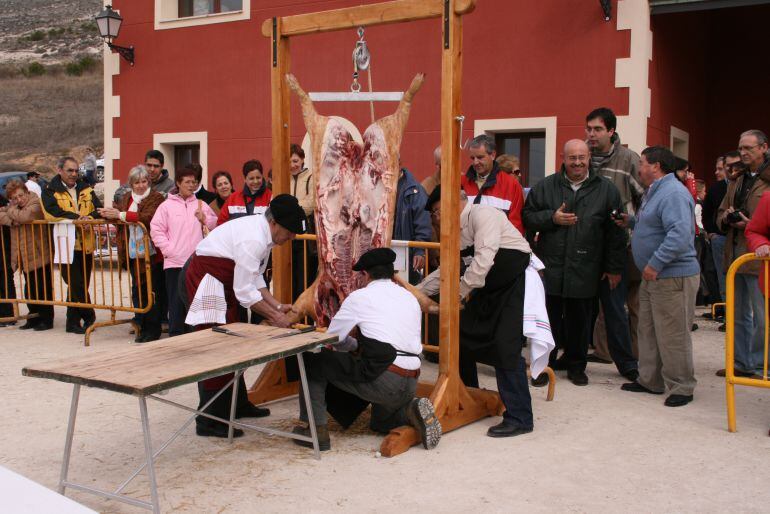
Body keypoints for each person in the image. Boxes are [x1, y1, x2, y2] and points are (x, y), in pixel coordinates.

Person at [295, 247, 442, 450]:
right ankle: (411, 409)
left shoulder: (359, 297)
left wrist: (354, 346)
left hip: (384, 377)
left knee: (311, 361)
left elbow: (335, 338)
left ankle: (313, 429)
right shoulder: (409, 297)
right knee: (380, 423)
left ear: (365, 274)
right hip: (411, 380)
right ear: (392, 273)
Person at [184, 195, 306, 438]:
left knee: (235, 344)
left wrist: (277, 305)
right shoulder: (253, 238)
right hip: (208, 283)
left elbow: (256, 278)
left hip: (226, 284)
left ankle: (237, 404)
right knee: (217, 348)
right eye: (290, 232)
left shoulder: (266, 237)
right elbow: (244, 293)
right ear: (275, 224)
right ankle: (209, 420)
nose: (291, 238)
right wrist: (276, 317)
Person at [418, 190, 534, 437]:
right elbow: (447, 271)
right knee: (461, 335)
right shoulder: (456, 232)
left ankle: (520, 416)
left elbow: (483, 259)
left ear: (458, 202)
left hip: (513, 282)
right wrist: (416, 292)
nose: (438, 218)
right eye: (435, 214)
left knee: (506, 347)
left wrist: (458, 294)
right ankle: (469, 394)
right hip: (488, 287)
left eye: (440, 211)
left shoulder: (483, 215)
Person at [522, 139, 627, 386]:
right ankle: (543, 366)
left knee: (580, 322)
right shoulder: (546, 186)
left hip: (586, 268)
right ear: (563, 158)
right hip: (552, 268)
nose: (577, 162)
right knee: (548, 320)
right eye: (572, 158)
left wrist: (613, 267)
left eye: (582, 157)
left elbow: (616, 232)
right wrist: (552, 218)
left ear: (589, 157)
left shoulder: (606, 189)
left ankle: (577, 366)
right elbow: (528, 217)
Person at [620, 146, 699, 407]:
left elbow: (679, 234)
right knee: (649, 330)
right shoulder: (656, 191)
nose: (639, 168)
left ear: (656, 166)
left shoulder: (673, 193)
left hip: (670, 275)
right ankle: (650, 380)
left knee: (673, 333)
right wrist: (631, 223)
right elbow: (655, 224)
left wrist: (655, 263)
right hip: (654, 276)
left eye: (642, 163)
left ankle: (682, 386)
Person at [585, 107, 643, 379]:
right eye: (589, 129)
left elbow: (646, 200)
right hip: (587, 247)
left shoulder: (629, 159)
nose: (591, 134)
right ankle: (600, 351)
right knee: (592, 307)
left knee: (623, 306)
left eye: (597, 129)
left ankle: (632, 360)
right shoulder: (582, 157)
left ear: (611, 130)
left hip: (623, 246)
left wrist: (630, 223)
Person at [716, 129, 770, 378]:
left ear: (763, 148)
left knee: (763, 316)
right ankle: (740, 363)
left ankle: (761, 365)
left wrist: (749, 224)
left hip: (760, 258)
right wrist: (726, 218)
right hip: (735, 254)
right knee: (736, 315)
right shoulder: (736, 178)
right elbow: (718, 214)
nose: (743, 153)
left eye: (748, 148)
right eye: (741, 148)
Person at [99, 165, 165, 342]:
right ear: (131, 184)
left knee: (152, 291)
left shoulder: (156, 198)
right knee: (138, 289)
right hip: (132, 253)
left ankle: (153, 328)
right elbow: (121, 216)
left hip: (152, 253)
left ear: (149, 182)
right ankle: (140, 324)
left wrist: (120, 214)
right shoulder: (128, 197)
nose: (141, 185)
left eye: (144, 181)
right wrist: (108, 214)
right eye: (137, 182)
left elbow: (146, 217)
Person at [150, 166, 217, 337]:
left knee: (195, 302)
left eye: (194, 182)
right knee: (176, 304)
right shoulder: (166, 207)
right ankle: (176, 337)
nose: (191, 185)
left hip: (196, 263)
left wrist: (206, 219)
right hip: (174, 263)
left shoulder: (201, 205)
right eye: (187, 182)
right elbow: (156, 229)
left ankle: (194, 337)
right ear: (178, 183)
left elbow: (215, 226)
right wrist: (168, 250)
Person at [41, 156, 102, 334]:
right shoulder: (50, 189)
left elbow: (97, 209)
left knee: (82, 282)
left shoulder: (86, 188)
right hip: (64, 243)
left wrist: (88, 218)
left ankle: (72, 322)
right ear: (60, 170)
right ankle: (90, 316)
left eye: (76, 170)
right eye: (70, 170)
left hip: (86, 243)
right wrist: (77, 219)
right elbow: (51, 213)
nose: (74, 174)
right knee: (76, 283)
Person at [0, 180, 54, 331]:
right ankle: (33, 316)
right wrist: (13, 218)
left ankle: (46, 319)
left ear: (26, 191)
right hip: (23, 254)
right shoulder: (16, 207)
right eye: (14, 198)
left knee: (42, 287)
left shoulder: (36, 201)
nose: (19, 200)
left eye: (20, 195)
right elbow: (1, 215)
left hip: (39, 251)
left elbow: (25, 216)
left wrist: (10, 211)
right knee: (29, 289)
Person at [461, 135, 525, 235]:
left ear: (493, 155)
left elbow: (516, 227)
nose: (475, 162)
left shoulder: (511, 185)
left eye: (480, 157)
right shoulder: (461, 182)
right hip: (466, 248)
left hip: (499, 248)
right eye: (472, 158)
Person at [701, 153, 734, 321]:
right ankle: (726, 313)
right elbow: (707, 213)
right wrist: (712, 232)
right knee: (722, 276)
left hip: (740, 238)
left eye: (721, 168)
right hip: (720, 238)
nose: (718, 171)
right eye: (720, 168)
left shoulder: (744, 185)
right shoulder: (716, 188)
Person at [393, 166, 432, 284]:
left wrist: (419, 251)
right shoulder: (378, 185)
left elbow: (423, 224)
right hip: (383, 254)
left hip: (406, 255)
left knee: (405, 290)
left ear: (398, 163)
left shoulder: (415, 191)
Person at [289, 144, 317, 300]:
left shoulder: (311, 178)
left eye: (295, 161)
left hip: (305, 235)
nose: (292, 165)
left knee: (304, 277)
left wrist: (290, 210)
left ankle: (305, 318)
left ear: (302, 160)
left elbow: (311, 204)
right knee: (289, 279)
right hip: (287, 236)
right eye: (289, 162)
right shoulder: (283, 179)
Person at [218, 160, 272, 225]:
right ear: (245, 179)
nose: (255, 181)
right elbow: (220, 224)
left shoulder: (270, 197)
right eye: (251, 178)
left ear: (262, 177)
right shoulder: (233, 199)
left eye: (258, 177)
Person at [0, 192, 17, 327]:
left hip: (4, 246)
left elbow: (8, 214)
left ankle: (9, 314)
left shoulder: (2, 200)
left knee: (5, 277)